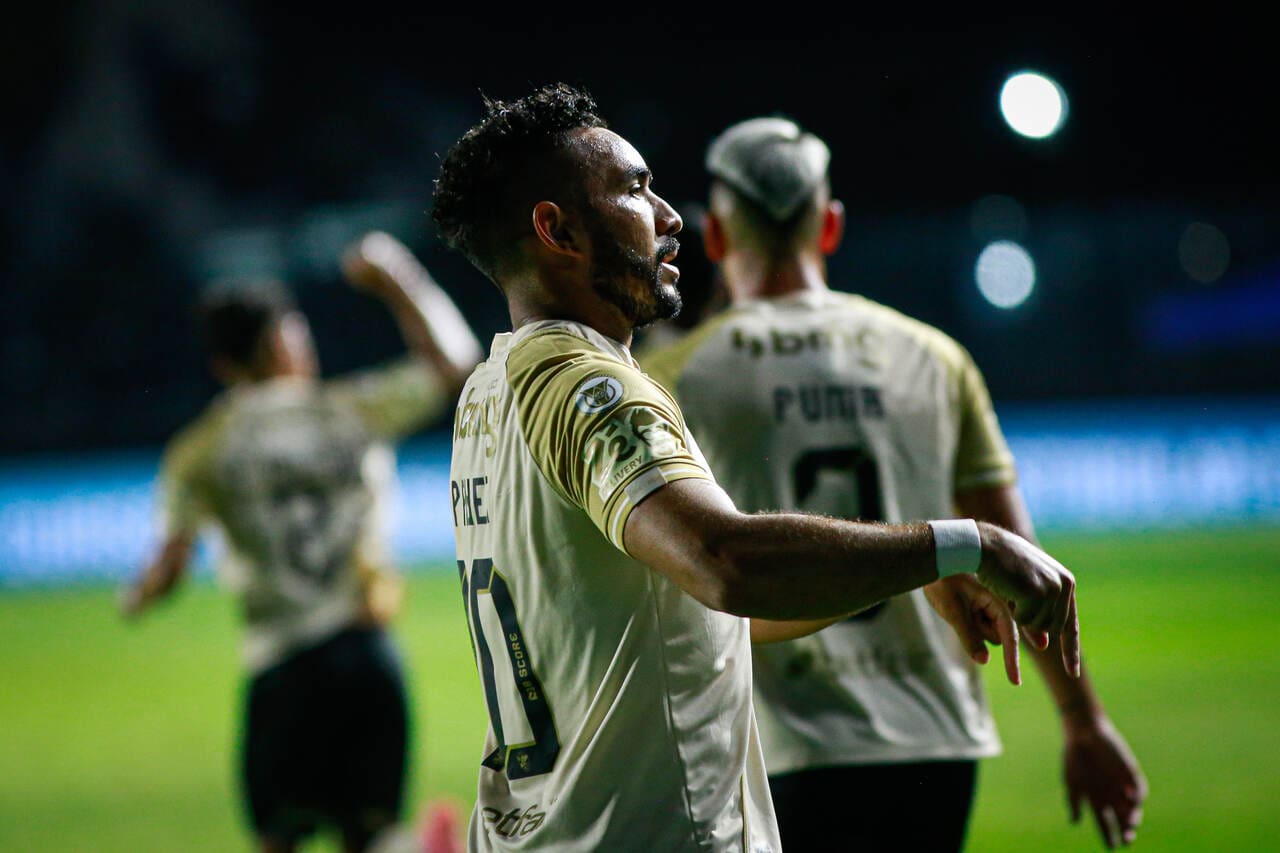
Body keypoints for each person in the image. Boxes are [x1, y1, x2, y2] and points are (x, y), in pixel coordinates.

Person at [432, 83, 1083, 853]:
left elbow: (711, 608)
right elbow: (723, 561)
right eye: (636, 189)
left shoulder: (491, 387)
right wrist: (969, 542)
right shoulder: (589, 385)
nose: (671, 217)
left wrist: (904, 570)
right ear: (557, 229)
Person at [641, 117, 1148, 851]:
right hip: (931, 738)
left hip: (774, 748)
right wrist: (1082, 719)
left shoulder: (671, 378)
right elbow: (1023, 564)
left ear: (715, 238)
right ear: (833, 227)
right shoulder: (934, 357)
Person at [119, 231, 482, 853]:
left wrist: (138, 596)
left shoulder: (199, 452)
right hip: (366, 657)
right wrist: (399, 279)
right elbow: (455, 363)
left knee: (277, 839)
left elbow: (170, 569)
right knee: (370, 837)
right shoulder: (350, 410)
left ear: (223, 365)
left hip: (281, 667)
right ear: (286, 341)